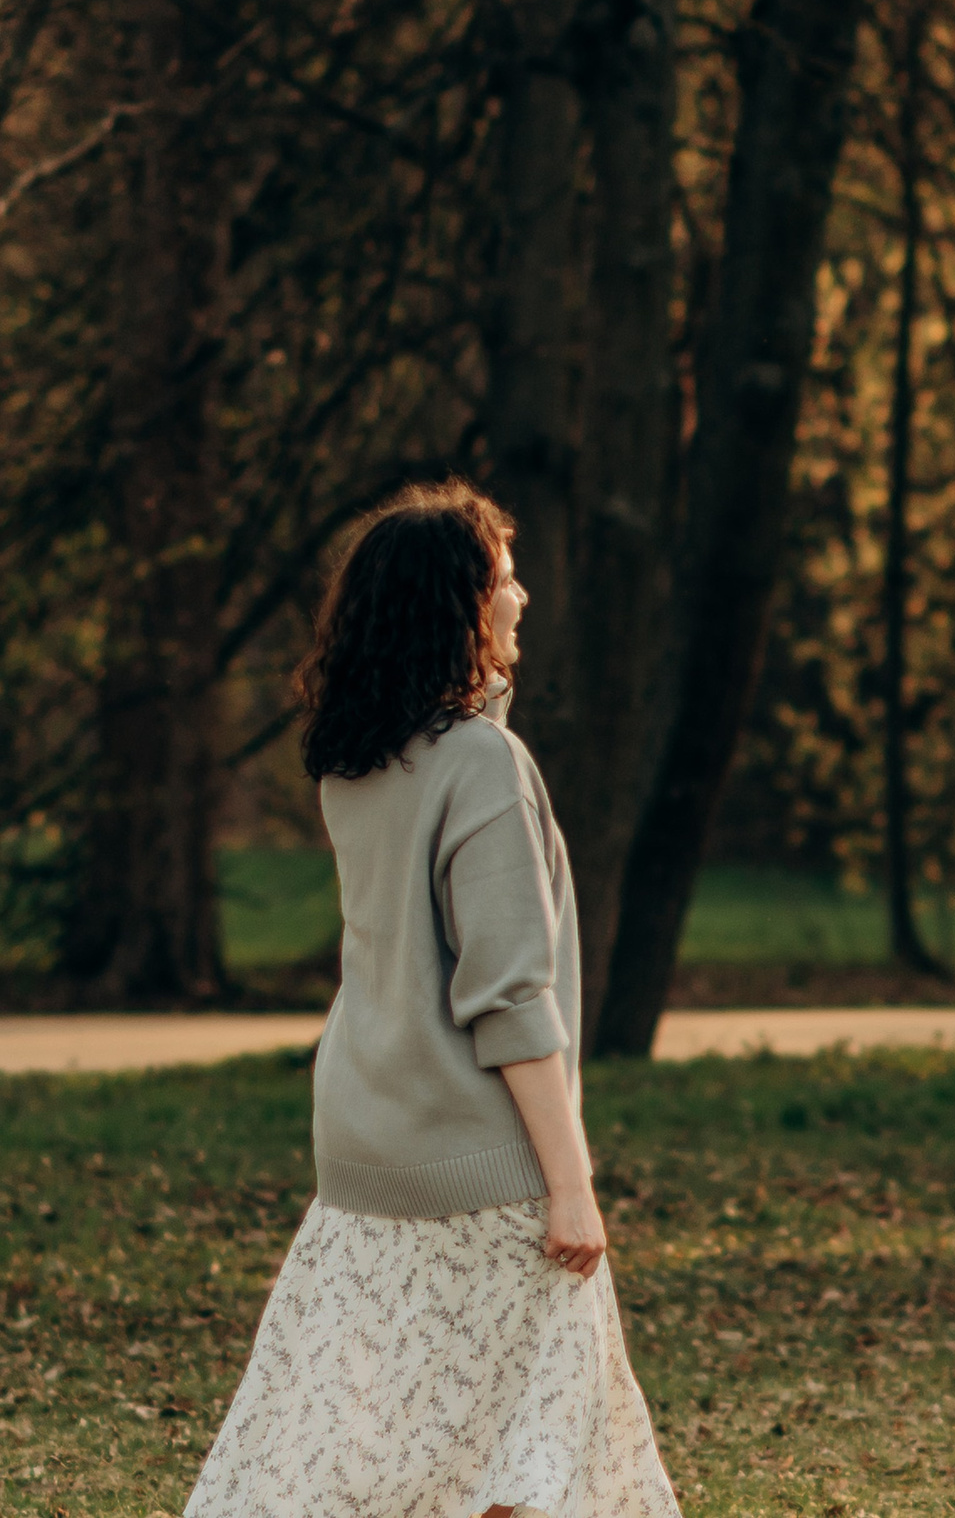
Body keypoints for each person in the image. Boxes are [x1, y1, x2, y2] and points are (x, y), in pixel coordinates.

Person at [187, 480, 681, 1518]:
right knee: (526, 1445)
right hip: (477, 1160)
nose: (525, 596)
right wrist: (571, 1180)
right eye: (503, 579)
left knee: (399, 1438)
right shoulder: (483, 766)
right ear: (460, 607)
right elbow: (508, 996)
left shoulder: (359, 763)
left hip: (365, 1146)